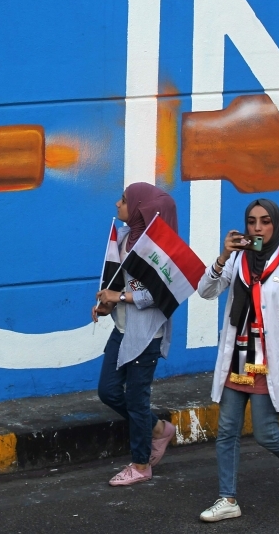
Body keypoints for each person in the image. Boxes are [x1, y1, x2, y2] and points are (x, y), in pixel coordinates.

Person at [195, 199, 279, 521]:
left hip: (270, 363)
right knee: (226, 431)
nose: (257, 228)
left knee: (267, 434)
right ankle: (228, 499)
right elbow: (206, 291)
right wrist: (223, 255)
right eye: (251, 222)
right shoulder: (237, 261)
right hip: (237, 358)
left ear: (275, 225)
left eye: (264, 222)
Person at [91, 182, 178, 486]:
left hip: (146, 335)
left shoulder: (159, 251)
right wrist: (107, 305)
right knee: (109, 391)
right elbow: (117, 281)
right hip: (123, 328)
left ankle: (141, 465)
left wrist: (122, 298)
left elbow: (163, 293)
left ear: (142, 208)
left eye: (125, 200)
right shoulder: (127, 239)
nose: (117, 204)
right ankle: (159, 429)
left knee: (137, 400)